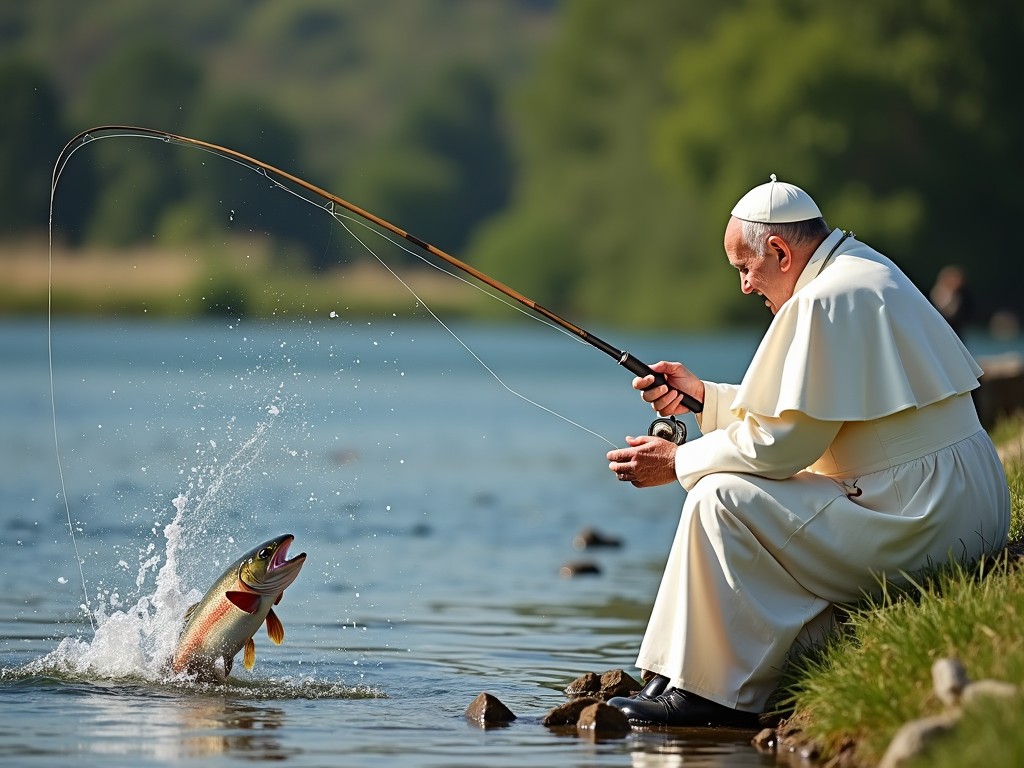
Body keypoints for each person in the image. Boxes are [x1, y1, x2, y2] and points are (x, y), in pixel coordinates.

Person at [604, 175, 1010, 728]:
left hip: (925, 520)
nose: (745, 285)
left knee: (719, 498)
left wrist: (676, 463)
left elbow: (784, 447)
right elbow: (811, 410)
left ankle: (710, 698)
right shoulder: (858, 269)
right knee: (736, 494)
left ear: (779, 250)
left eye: (745, 267)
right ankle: (681, 672)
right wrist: (703, 400)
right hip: (959, 503)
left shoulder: (824, 300)